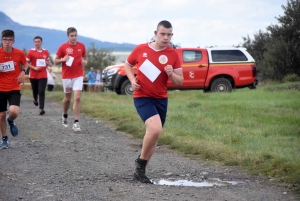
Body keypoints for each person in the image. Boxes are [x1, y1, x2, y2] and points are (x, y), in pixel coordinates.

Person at [124, 20, 184, 183]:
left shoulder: (173, 54)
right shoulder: (141, 49)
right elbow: (128, 65)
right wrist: (132, 80)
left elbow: (180, 81)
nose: (166, 37)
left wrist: (172, 74)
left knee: (153, 135)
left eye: (169, 34)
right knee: (155, 130)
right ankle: (140, 164)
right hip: (143, 97)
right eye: (162, 34)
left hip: (161, 99)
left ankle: (140, 173)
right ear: (155, 33)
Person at [55, 27, 87, 132]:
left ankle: (76, 122)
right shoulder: (63, 47)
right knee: (67, 99)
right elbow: (55, 61)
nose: (74, 37)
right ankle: (64, 114)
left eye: (75, 35)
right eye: (71, 36)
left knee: (77, 98)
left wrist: (84, 62)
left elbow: (85, 57)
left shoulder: (81, 46)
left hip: (78, 75)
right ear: (68, 36)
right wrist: (63, 59)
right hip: (67, 76)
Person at [0, 30, 28, 149]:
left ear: (13, 41)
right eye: (5, 39)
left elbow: (25, 64)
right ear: (2, 40)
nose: (7, 42)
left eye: (10, 40)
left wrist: (23, 71)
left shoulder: (19, 53)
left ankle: (10, 120)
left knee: (14, 112)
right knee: (1, 115)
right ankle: (4, 138)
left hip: (14, 86)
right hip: (0, 88)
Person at [26, 36, 52, 115]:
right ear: (34, 43)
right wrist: (34, 67)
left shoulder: (45, 51)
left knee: (41, 91)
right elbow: (26, 62)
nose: (37, 43)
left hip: (43, 74)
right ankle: (35, 98)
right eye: (36, 42)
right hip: (33, 75)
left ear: (41, 43)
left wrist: (49, 63)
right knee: (35, 90)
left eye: (38, 42)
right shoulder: (30, 52)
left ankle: (41, 108)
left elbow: (47, 60)